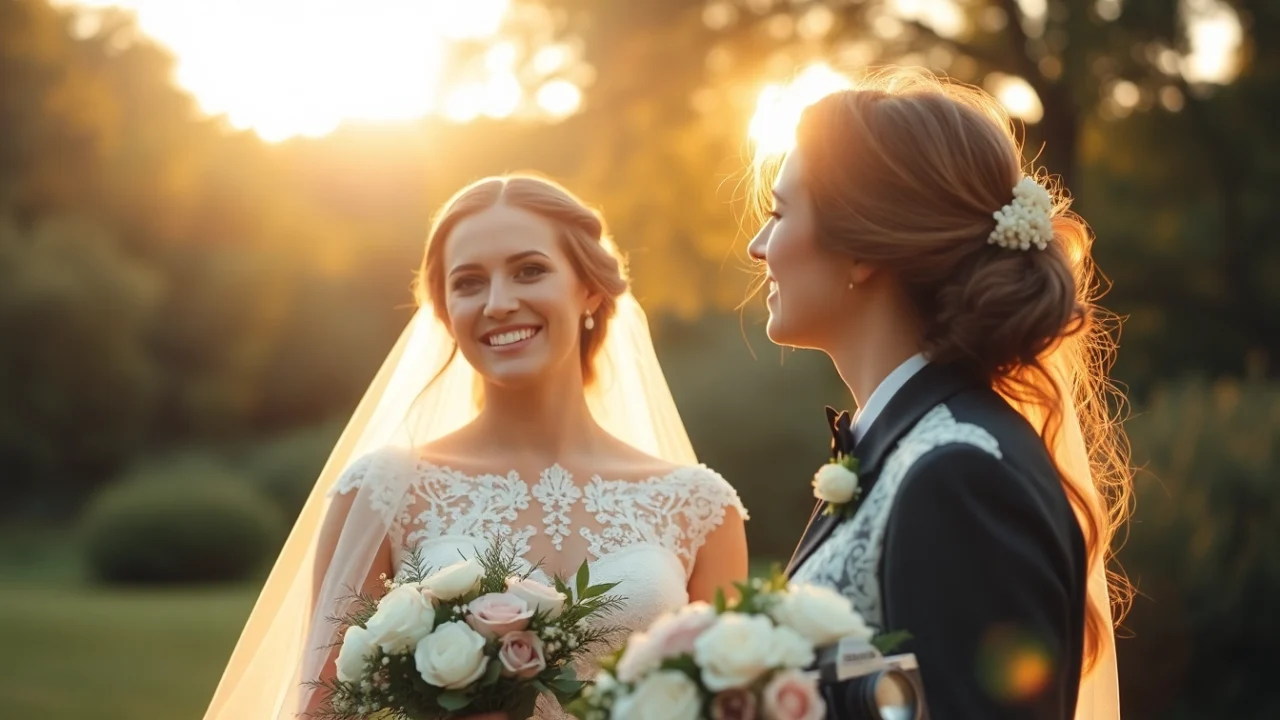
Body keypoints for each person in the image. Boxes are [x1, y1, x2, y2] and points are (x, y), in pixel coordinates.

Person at [203, 174, 749, 720]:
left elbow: (734, 704)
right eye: (468, 282)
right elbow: (325, 710)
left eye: (529, 271)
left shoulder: (699, 505)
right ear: (445, 312)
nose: (499, 303)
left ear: (589, 288)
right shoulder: (384, 492)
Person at [748, 68, 1130, 719]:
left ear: (861, 247)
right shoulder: (904, 451)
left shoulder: (961, 478)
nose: (758, 247)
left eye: (779, 214)